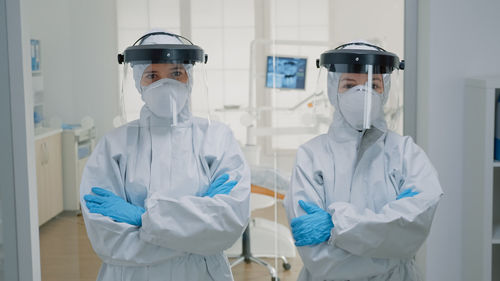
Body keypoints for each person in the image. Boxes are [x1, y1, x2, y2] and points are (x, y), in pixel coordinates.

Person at [80, 32, 250, 281]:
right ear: (139, 80)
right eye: (153, 76)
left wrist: (143, 218)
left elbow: (228, 225)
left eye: (175, 73)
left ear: (189, 77)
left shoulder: (217, 139)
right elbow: (107, 240)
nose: (165, 84)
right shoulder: (113, 146)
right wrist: (197, 223)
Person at [284, 41, 443, 281]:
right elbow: (317, 258)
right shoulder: (311, 156)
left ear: (385, 90)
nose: (362, 93)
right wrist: (384, 248)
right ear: (332, 89)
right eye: (349, 84)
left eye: (373, 85)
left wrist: (336, 225)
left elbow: (410, 231)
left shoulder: (406, 154)